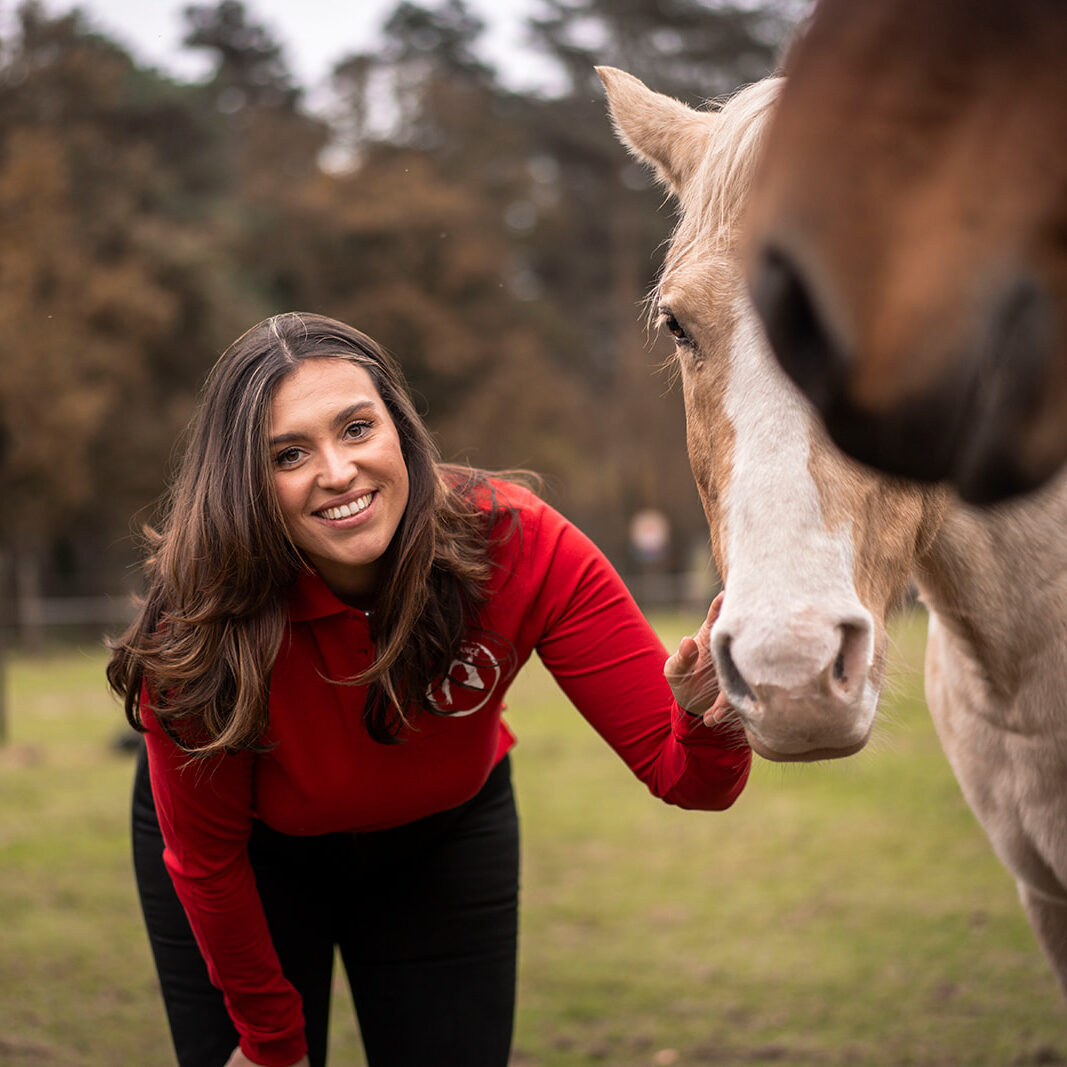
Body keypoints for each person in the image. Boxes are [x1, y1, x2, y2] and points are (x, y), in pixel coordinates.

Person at [107, 311, 750, 1067]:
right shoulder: (198, 620)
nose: (337, 471)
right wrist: (273, 1048)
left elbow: (689, 780)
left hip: (441, 842)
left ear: (399, 428)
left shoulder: (518, 543)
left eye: (355, 428)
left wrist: (709, 715)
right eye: (289, 453)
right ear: (245, 483)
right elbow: (207, 863)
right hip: (249, 860)